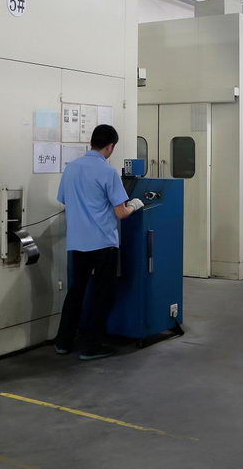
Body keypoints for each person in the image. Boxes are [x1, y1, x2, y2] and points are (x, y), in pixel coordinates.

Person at [54, 124, 144, 361]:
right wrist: (135, 205)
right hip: (103, 242)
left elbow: (64, 199)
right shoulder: (108, 172)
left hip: (77, 242)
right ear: (110, 146)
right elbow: (121, 212)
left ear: (91, 142)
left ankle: (63, 341)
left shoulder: (71, 168)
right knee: (102, 294)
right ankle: (91, 346)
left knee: (76, 291)